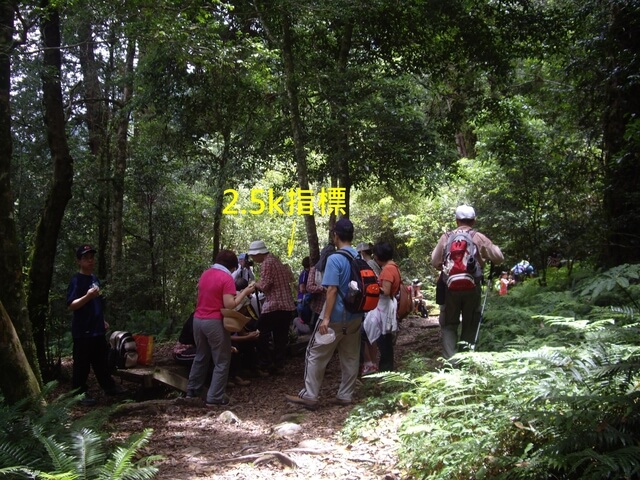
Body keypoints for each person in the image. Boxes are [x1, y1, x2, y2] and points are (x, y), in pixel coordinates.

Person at [285, 218, 363, 409]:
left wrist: (326, 318)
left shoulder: (334, 259)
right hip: (355, 316)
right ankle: (345, 395)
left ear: (335, 235)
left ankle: (310, 395)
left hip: (334, 316)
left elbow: (331, 290)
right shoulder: (359, 258)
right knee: (351, 356)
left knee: (315, 353)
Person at [431, 205, 504, 359]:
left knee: (449, 325)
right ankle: (465, 360)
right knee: (470, 323)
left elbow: (435, 261)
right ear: (474, 221)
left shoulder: (446, 237)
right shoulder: (478, 237)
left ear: (457, 220)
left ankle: (451, 361)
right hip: (472, 287)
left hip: (449, 288)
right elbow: (498, 258)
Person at [185, 250, 255, 406]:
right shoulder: (226, 278)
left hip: (198, 320)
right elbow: (229, 304)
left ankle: (192, 390)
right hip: (214, 321)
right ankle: (215, 397)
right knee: (222, 360)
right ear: (231, 266)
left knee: (201, 355)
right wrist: (245, 292)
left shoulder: (206, 274)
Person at [67, 244, 126, 406]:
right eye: (86, 258)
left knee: (102, 362)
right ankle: (79, 395)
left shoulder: (94, 279)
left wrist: (102, 320)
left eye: (92, 257)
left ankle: (109, 387)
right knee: (82, 366)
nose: (90, 261)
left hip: (97, 330)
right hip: (83, 331)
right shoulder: (76, 280)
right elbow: (71, 305)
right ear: (79, 261)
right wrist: (87, 296)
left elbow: (97, 303)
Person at [247, 240, 297, 376]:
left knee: (259, 332)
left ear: (258, 254)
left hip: (275, 305)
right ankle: (278, 363)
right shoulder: (275, 260)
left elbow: (265, 285)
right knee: (280, 336)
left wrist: (255, 285)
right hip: (286, 305)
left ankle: (265, 363)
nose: (253, 259)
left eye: (253, 256)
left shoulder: (267, 263)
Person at [370, 241, 401, 372]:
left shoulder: (388, 269)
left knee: (383, 339)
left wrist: (373, 287)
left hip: (384, 307)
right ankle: (387, 368)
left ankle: (386, 369)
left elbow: (386, 290)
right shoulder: (393, 267)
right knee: (385, 339)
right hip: (387, 306)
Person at [356, 241, 381, 375]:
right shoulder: (375, 264)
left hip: (369, 304)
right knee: (372, 335)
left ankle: (369, 362)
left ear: (362, 252)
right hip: (375, 304)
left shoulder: (368, 264)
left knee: (366, 335)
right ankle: (373, 362)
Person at [296, 256, 312, 325]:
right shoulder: (305, 274)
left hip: (305, 299)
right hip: (303, 299)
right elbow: (302, 288)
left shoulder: (309, 273)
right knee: (305, 318)